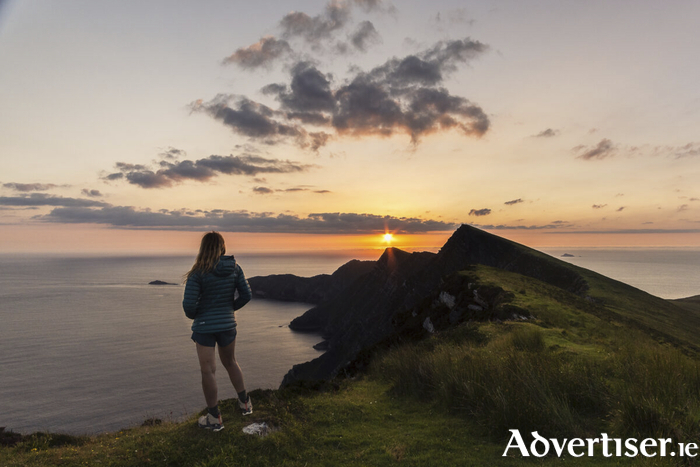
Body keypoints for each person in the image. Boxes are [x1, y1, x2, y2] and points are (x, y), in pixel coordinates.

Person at [183, 231, 253, 432]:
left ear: (203, 248)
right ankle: (245, 404)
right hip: (228, 325)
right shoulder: (234, 268)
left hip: (205, 327)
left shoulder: (198, 273)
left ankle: (214, 417)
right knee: (231, 362)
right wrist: (229, 310)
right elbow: (246, 295)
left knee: (208, 371)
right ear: (222, 247)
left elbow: (188, 306)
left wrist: (199, 314)